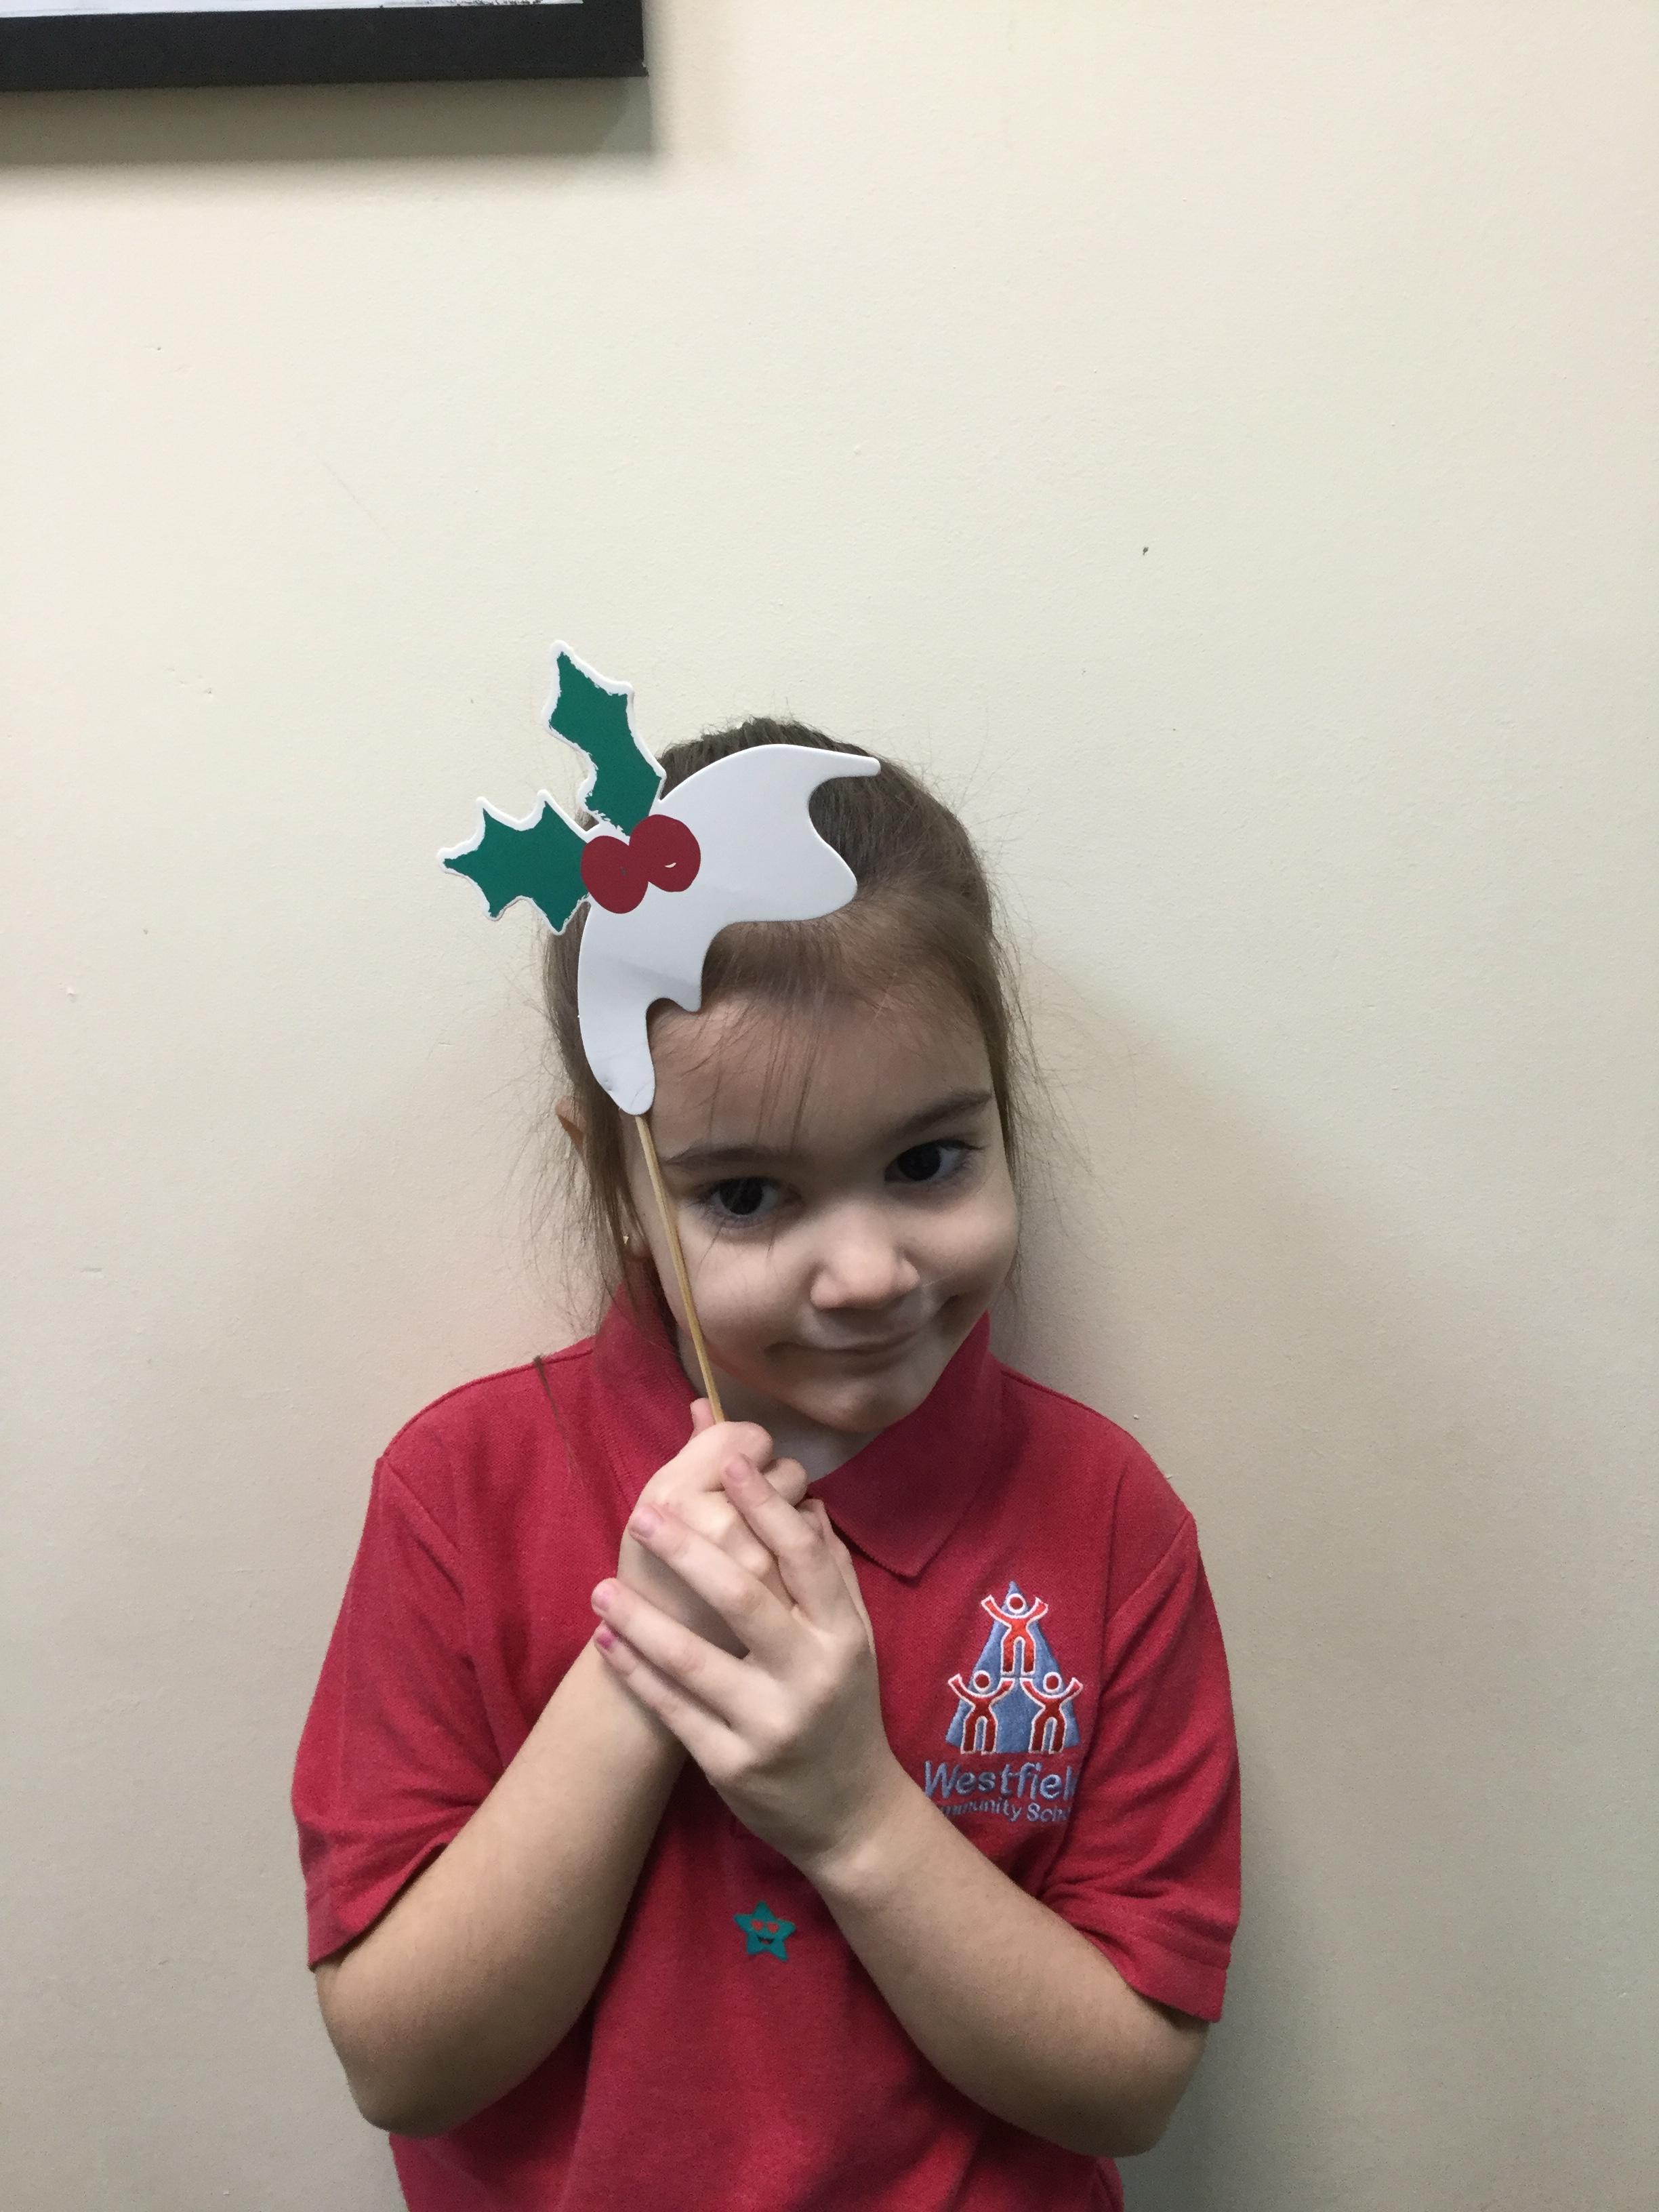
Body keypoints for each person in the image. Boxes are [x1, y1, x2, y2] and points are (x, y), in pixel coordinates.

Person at [291, 721, 1241, 2211]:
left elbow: (1129, 2086)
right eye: (745, 1194)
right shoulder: (461, 1494)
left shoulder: (1106, 1517)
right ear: (616, 1181)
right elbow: (402, 2066)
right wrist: (644, 1662)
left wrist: (852, 1812)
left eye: (929, 1161)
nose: (865, 1274)